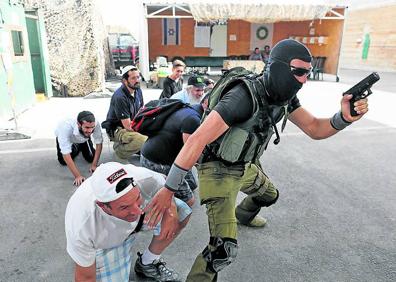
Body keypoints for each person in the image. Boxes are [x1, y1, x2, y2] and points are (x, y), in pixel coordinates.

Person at [142, 39, 371, 281]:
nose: (304, 80)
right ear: (280, 67)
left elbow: (314, 128)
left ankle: (243, 215)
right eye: (299, 72)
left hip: (244, 166)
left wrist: (343, 118)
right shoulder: (242, 97)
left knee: (269, 195)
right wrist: (168, 190)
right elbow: (197, 140)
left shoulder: (283, 96)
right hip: (218, 170)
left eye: (308, 72)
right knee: (222, 250)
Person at [65, 162, 192, 282]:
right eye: (124, 207)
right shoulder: (82, 225)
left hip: (134, 222)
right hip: (105, 242)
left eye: (137, 198)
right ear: (103, 206)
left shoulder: (144, 177)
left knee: (182, 212)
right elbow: (85, 278)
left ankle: (148, 262)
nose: (138, 211)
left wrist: (171, 210)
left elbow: (165, 187)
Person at [140, 95, 210, 207]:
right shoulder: (193, 120)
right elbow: (191, 153)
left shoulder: (189, 109)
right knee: (189, 200)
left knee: (192, 185)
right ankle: (163, 211)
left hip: (155, 153)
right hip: (157, 162)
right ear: (206, 104)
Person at [102, 66, 147, 160]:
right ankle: (120, 150)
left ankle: (137, 146)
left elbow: (142, 111)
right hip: (117, 129)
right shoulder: (120, 97)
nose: (137, 80)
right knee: (143, 139)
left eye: (138, 77)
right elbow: (128, 126)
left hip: (132, 124)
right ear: (125, 81)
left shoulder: (138, 90)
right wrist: (144, 134)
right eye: (133, 78)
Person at [55, 111, 103, 186]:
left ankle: (81, 143)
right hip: (67, 138)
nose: (90, 131)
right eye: (87, 127)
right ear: (79, 124)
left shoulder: (95, 123)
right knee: (63, 161)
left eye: (92, 127)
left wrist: (94, 165)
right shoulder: (64, 128)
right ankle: (76, 146)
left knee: (91, 158)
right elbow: (65, 153)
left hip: (84, 137)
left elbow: (99, 142)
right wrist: (77, 176)